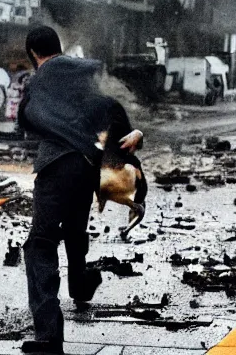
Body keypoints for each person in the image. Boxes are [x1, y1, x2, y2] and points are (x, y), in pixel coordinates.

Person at [17, 26, 143, 355]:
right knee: (74, 228)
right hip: (86, 167)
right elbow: (109, 108)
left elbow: (26, 118)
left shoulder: (40, 78)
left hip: (56, 166)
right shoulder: (82, 74)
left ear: (33, 53)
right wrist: (130, 138)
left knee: (40, 245)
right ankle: (81, 286)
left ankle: (48, 337)